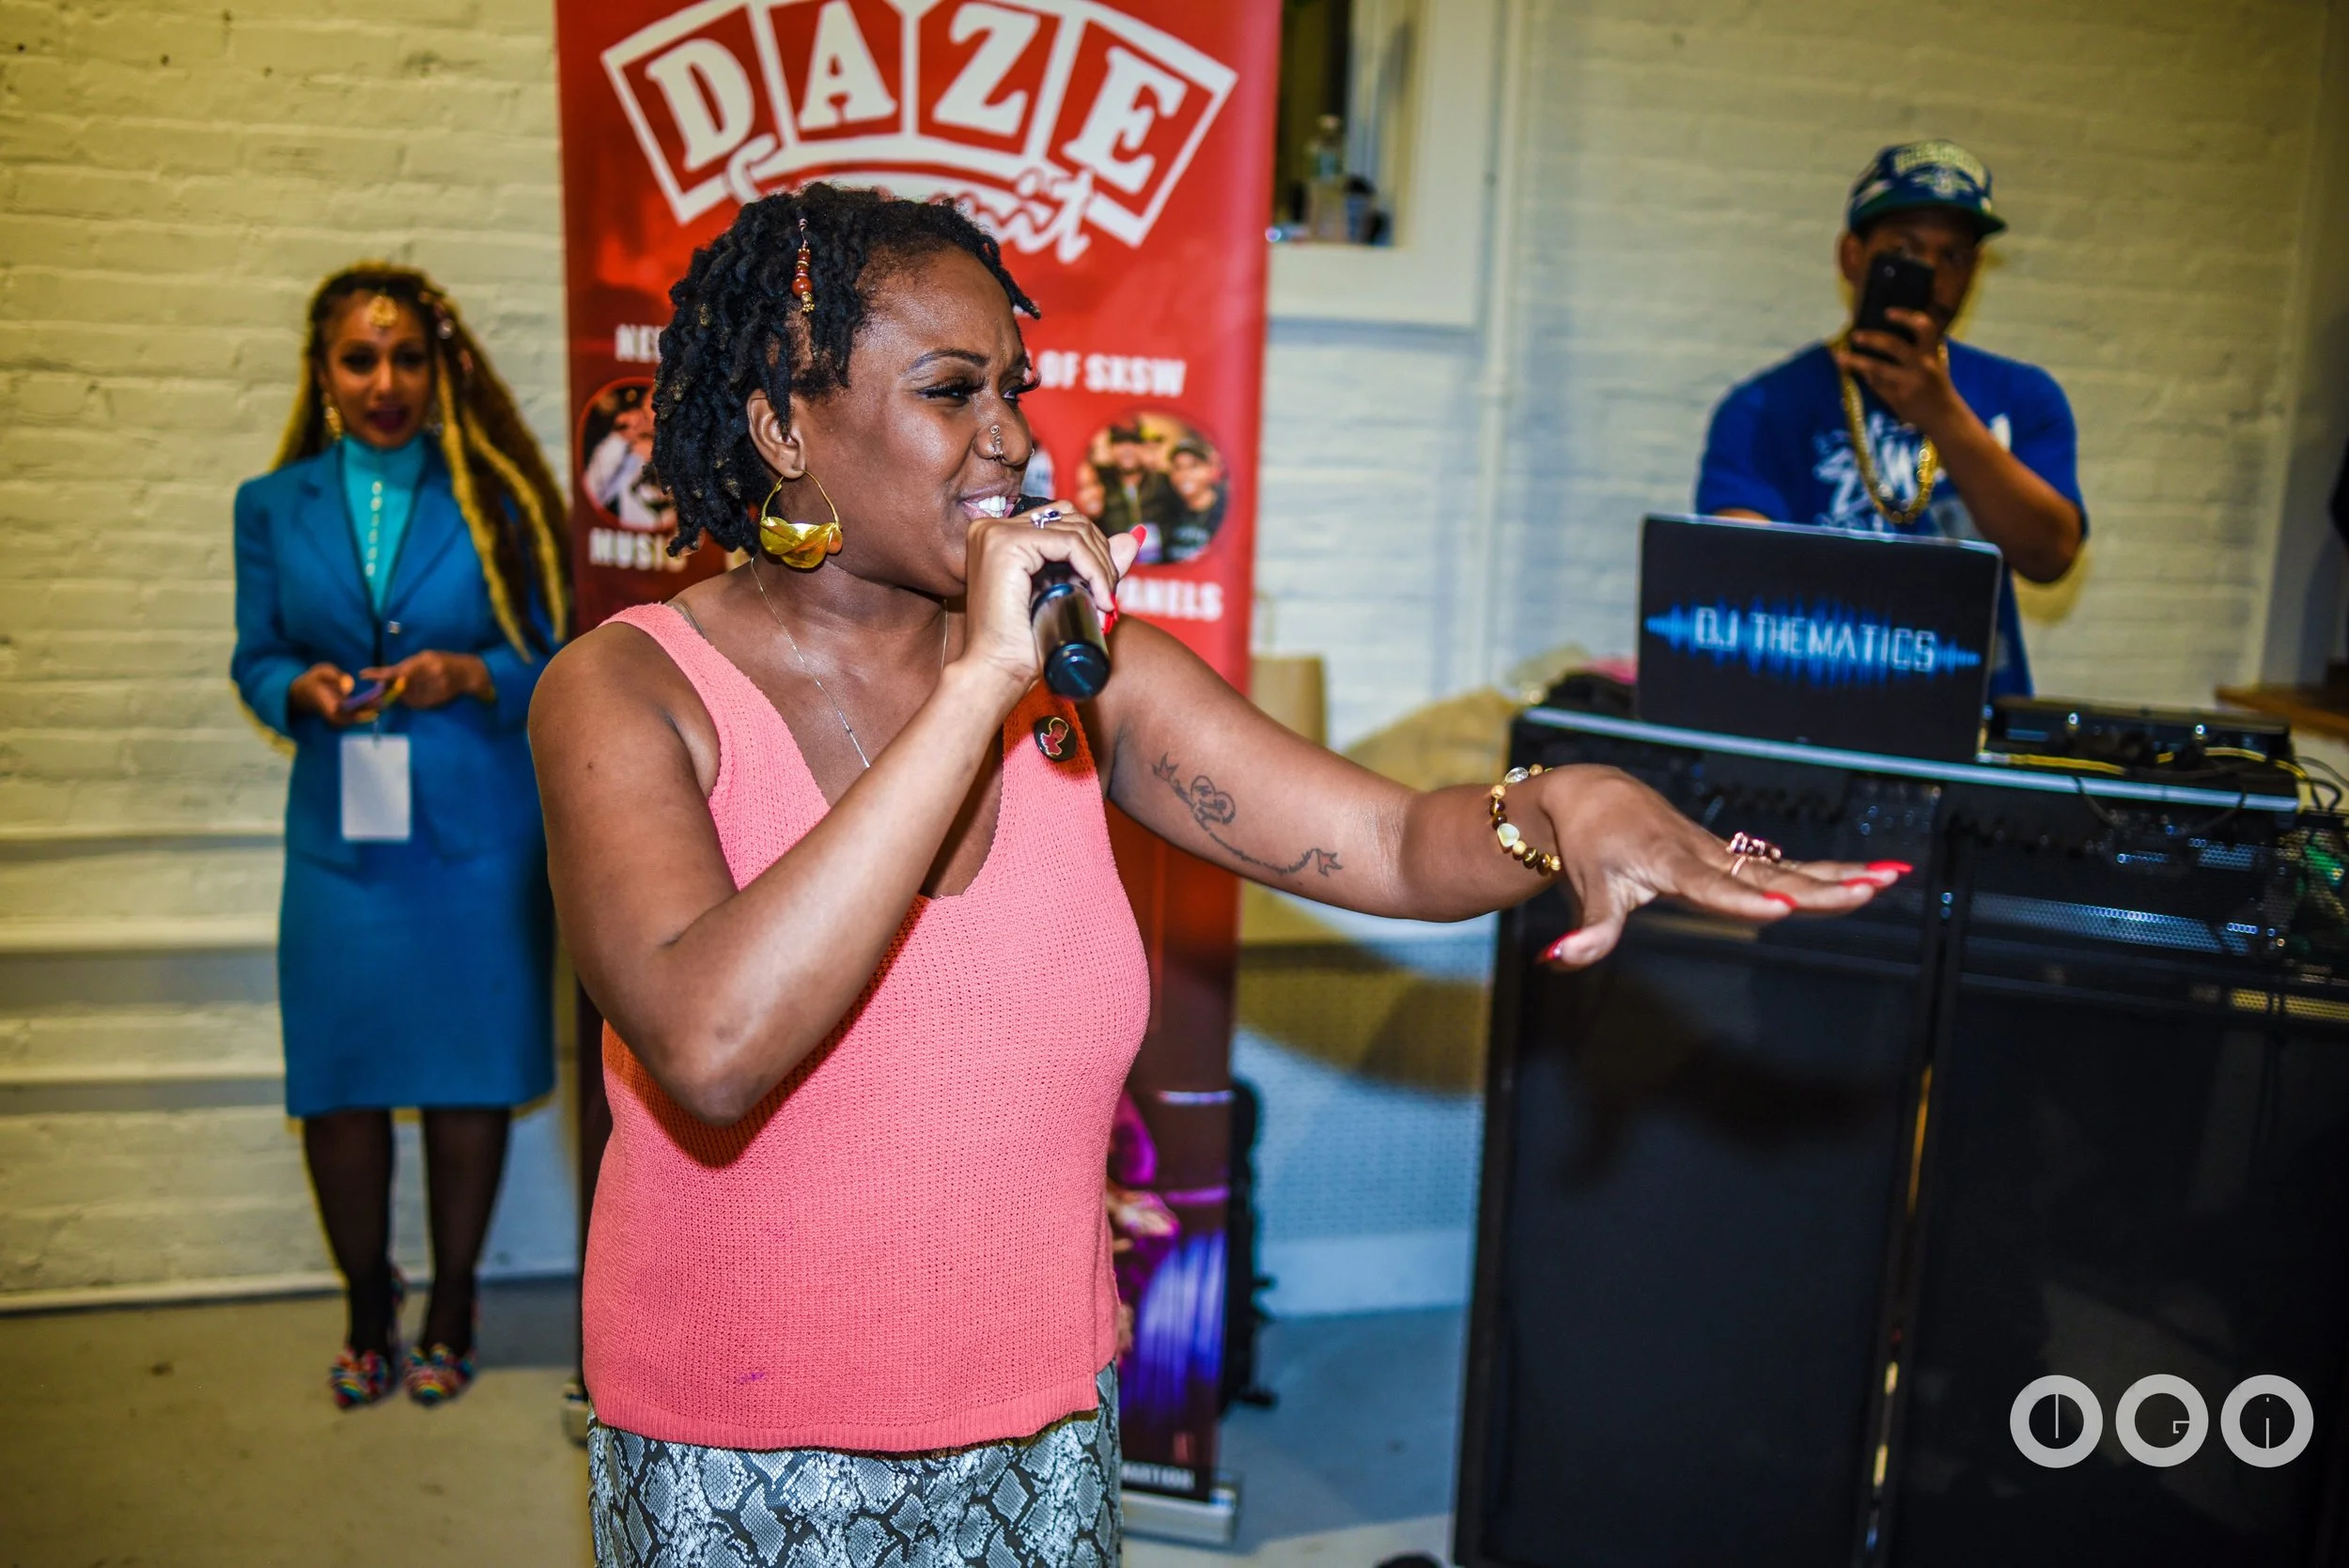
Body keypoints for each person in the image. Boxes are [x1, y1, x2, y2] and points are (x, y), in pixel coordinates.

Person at [527, 183, 1894, 1567]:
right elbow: (713, 1044)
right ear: (783, 429)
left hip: (1041, 1422)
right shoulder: (628, 691)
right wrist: (980, 681)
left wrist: (1561, 802)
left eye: (1015, 388)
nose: (1010, 437)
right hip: (746, 1444)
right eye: (950, 391)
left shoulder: (1098, 682)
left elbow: (1389, 844)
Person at [230, 264, 569, 1410]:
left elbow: (559, 659)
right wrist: (297, 690)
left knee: (469, 1076)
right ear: (322, 373)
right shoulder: (271, 506)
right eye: (359, 359)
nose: (386, 382)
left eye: (407, 358)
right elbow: (255, 654)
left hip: (478, 841)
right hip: (342, 845)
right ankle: (367, 1306)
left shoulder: (499, 494)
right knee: (340, 1082)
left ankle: (454, 1302)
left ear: (441, 368)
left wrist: (471, 672)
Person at [1696, 141, 2086, 698]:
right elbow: (1737, 578)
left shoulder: (2022, 396)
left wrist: (1941, 414)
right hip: (1816, 711)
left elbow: (2050, 557)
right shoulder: (1764, 407)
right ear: (1852, 257)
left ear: (1976, 270)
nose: (1932, 274)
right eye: (1905, 250)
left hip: (1975, 715)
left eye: (1954, 257)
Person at [1091, 422, 1178, 539]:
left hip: (1161, 550)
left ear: (1143, 447)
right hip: (1113, 549)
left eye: (1134, 442)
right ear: (1110, 448)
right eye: (1119, 442)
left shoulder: (1163, 481)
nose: (1127, 449)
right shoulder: (1100, 482)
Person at [1162, 439, 1226, 562]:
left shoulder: (1226, 510)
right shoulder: (1168, 509)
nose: (1185, 474)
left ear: (1210, 470)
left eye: (1193, 467)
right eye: (1178, 468)